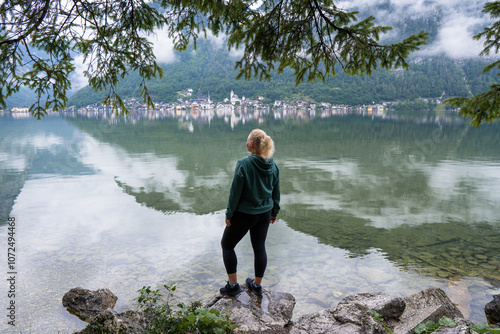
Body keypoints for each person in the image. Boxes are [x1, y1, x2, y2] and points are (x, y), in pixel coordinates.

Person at [220, 129, 280, 297]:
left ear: (252, 144)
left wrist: (229, 213)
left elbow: (235, 193)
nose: (246, 143)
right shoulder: (272, 164)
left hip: (245, 214)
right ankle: (257, 285)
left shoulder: (244, 164)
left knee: (227, 245)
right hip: (265, 212)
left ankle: (233, 285)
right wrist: (275, 211)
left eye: (247, 140)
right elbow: (276, 190)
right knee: (259, 248)